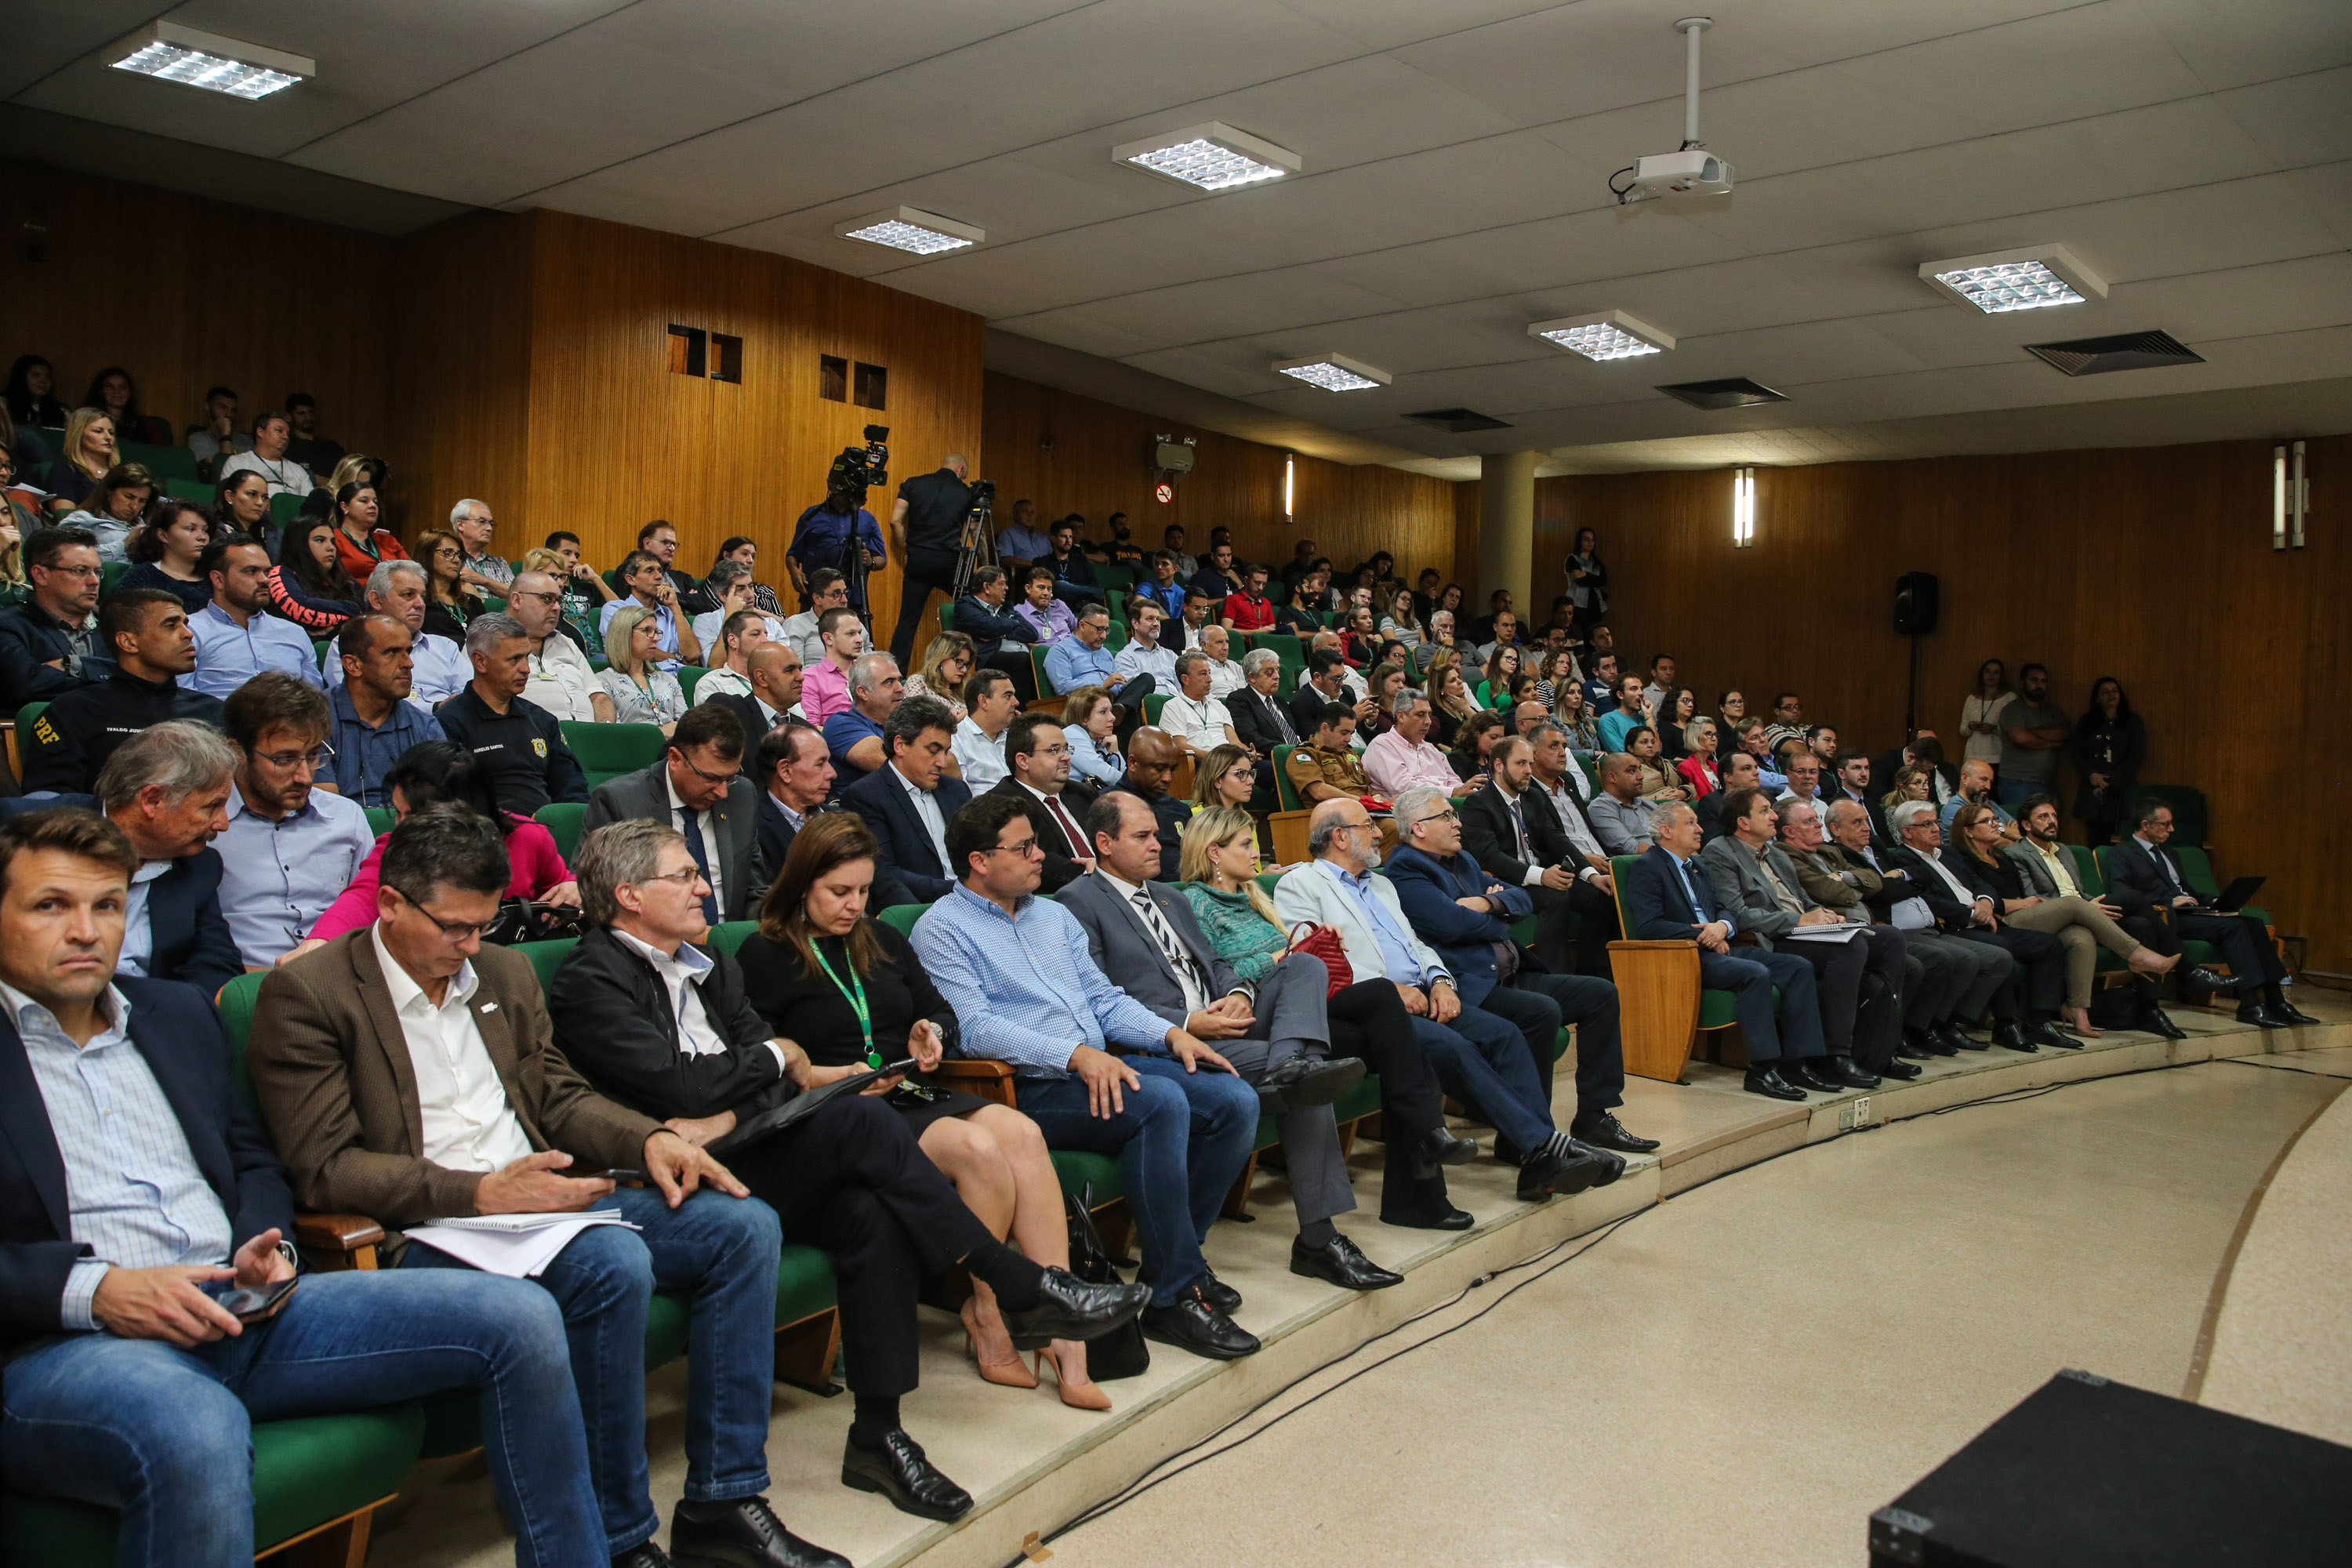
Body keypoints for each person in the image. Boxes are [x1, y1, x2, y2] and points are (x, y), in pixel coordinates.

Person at [0, 806, 622, 1568]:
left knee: (521, 1317)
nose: (87, 930)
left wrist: (272, 1245)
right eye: (49, 906)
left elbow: (252, 1158)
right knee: (192, 1426)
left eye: (106, 905)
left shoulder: (172, 1012)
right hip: (68, 1344)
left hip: (245, 1304)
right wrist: (96, 1288)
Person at [243, 809, 848, 1568]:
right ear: (390, 904)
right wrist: (480, 1192)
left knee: (742, 1225)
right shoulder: (311, 992)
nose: (471, 945)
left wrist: (648, 1137)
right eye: (454, 927)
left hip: (540, 1201)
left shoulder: (500, 970)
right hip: (430, 1226)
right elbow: (326, 1165)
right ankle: (620, 1535)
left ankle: (725, 1499)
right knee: (613, 1263)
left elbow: (558, 1098)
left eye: (484, 923)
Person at [912, 794, 1264, 1359]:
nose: (1041, 857)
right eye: (1025, 847)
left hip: (1096, 1065)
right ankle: (1175, 1299)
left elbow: (1103, 998)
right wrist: (1074, 1054)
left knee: (1234, 1101)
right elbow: (974, 1030)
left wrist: (1171, 1034)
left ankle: (1177, 1265)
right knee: (1162, 1103)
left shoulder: (1051, 913)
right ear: (979, 860)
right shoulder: (941, 929)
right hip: (1026, 1087)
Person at [1065, 791, 1400, 1290]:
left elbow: (1217, 967)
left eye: (1157, 834)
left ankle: (1292, 1065)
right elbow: (1099, 995)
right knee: (1307, 1085)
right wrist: (1185, 1023)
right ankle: (1318, 1237)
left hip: (1224, 1015)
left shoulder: (1170, 896)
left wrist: (1240, 993)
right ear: (1105, 843)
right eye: (1143, 837)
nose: (1159, 845)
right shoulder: (1078, 901)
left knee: (1304, 964)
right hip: (1170, 1038)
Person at [1274, 797, 1615, 1196]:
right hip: (1372, 1007)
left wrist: (1440, 981)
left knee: (1505, 1035)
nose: (1378, 832)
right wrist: (1390, 990)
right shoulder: (1299, 885)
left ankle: (1537, 1153)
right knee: (1455, 1048)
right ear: (1339, 837)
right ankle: (1545, 1149)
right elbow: (1315, 960)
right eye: (1368, 825)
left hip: (1425, 993)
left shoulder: (1380, 884)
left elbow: (1415, 944)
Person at [1386, 784, 1656, 1152]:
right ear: (1418, 828)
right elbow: (1452, 924)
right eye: (1446, 815)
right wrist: (1496, 911)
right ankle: (1529, 1138)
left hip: (1512, 972)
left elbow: (1522, 899)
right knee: (1541, 1012)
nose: (1457, 823)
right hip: (1472, 985)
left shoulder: (1462, 860)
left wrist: (1484, 905)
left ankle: (1594, 1116)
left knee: (1599, 994)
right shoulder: (1404, 871)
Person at [0, 720, 245, 996]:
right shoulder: (15, 829)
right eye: (211, 807)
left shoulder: (198, 866)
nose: (223, 823)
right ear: (153, 800)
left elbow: (216, 964)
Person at [1624, 802, 1835, 1100]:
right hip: (1683, 956)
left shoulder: (1697, 866)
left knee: (1798, 967)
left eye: (1698, 822)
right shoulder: (1647, 867)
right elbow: (1648, 926)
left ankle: (1797, 1063)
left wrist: (1722, 926)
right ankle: (1762, 1070)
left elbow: (1725, 908)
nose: (1700, 829)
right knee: (1755, 973)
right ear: (1666, 831)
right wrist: (1704, 935)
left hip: (1718, 947)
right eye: (1691, 823)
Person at [293, 741, 579, 958]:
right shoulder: (399, 846)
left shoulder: (528, 837)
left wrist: (575, 888)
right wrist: (319, 944)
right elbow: (361, 897)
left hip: (505, 968)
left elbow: (561, 885)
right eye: (398, 813)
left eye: (415, 816)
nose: (403, 828)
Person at [1699, 786, 1895, 1083]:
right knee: (1850, 949)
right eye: (1765, 810)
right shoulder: (1721, 851)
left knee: (1890, 939)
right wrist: (1800, 920)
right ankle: (1834, 1054)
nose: (1774, 816)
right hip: (1776, 937)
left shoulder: (1776, 853)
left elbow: (1803, 897)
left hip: (1809, 929)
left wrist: (1824, 914)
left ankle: (1881, 1048)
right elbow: (1739, 913)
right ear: (1743, 822)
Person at [1809, 796, 2016, 1058]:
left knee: (1995, 958)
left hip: (1927, 926)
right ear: (1836, 829)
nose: (1866, 827)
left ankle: (1939, 1024)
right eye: (1857, 822)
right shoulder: (1838, 854)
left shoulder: (1877, 846)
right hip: (1893, 930)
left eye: (1866, 820)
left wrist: (1897, 879)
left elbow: (1921, 875)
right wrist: (1891, 882)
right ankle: (1914, 1029)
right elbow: (1876, 893)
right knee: (1949, 960)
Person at [2102, 800, 2313, 1029]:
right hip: (2165, 917)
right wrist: (2168, 902)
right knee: (2236, 928)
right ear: (2146, 825)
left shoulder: (2169, 853)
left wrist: (2213, 901)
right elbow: (2123, 893)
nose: (2171, 830)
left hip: (2191, 911)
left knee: (2253, 923)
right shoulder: (2121, 853)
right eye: (2166, 824)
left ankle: (2277, 1001)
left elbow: (2187, 891)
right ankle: (2251, 1005)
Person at [214, 673, 378, 969]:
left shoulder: (346, 817)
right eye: (284, 759)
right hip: (248, 988)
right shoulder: (209, 828)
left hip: (342, 981)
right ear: (237, 751)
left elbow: (372, 909)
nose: (305, 776)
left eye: (313, 756)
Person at [1881, 799, 2071, 1051]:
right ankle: (2002, 1025)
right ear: (1907, 832)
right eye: (1926, 825)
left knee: (2049, 945)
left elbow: (1980, 883)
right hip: (1953, 926)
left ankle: (2039, 1021)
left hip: (1985, 919)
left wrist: (1985, 901)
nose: (1936, 829)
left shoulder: (1949, 854)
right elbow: (1928, 900)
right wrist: (1970, 915)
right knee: (2002, 951)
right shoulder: (1903, 858)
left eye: (1936, 823)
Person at [1984, 793, 2179, 1036]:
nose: (2052, 821)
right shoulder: (2018, 854)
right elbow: (2032, 897)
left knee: (2083, 937)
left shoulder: (2064, 851)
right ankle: (2137, 955)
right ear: (2026, 825)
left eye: (2054, 816)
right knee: (2114, 901)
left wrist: (2088, 904)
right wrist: (2083, 906)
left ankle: (2077, 1010)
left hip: (2075, 914)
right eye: (2043, 817)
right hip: (2038, 914)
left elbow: (2079, 891)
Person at [20, 587, 220, 794]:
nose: (188, 634)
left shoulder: (213, 711)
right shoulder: (73, 711)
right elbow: (49, 801)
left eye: (185, 624)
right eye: (171, 625)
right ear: (128, 642)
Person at [583, 702, 768, 924]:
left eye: (730, 778)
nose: (723, 792)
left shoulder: (742, 794)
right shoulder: (619, 801)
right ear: (675, 759)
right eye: (710, 778)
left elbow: (755, 889)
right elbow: (599, 898)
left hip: (730, 946)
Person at [1461, 734, 1619, 974]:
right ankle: (1551, 976)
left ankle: (1594, 973)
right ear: (1499, 765)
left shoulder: (1533, 797)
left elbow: (1556, 839)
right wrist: (1541, 876)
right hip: (1507, 881)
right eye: (1521, 764)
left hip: (1543, 875)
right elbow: (1489, 857)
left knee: (1602, 894)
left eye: (1530, 764)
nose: (1528, 770)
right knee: (1555, 897)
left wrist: (1591, 875)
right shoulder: (1478, 804)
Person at [434, 614, 591, 816]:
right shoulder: (448, 722)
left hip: (548, 834)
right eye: (514, 659)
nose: (526, 669)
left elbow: (572, 790)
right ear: (480, 662)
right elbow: (448, 801)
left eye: (527, 657)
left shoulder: (542, 720)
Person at [840, 695, 971, 906]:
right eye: (933, 750)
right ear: (900, 745)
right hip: (918, 909)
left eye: (946, 752)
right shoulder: (865, 797)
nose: (942, 762)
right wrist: (959, 891)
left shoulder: (956, 790)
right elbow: (883, 872)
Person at [323, 615, 446, 808]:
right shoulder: (315, 719)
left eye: (408, 652)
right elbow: (324, 810)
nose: (408, 663)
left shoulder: (425, 726)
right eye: (392, 652)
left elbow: (439, 808)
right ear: (353, 665)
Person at [323, 561, 472, 710]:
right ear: (376, 600)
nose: (420, 604)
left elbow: (468, 697)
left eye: (423, 597)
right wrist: (436, 708)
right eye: (408, 595)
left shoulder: (445, 647)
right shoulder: (349, 644)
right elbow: (358, 704)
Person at [183, 537, 320, 699]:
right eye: (251, 571)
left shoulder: (294, 633)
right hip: (217, 722)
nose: (265, 580)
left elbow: (313, 702)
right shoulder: (190, 631)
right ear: (218, 579)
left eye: (266, 572)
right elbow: (183, 701)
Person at [884, 454, 977, 666]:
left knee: (907, 622)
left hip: (918, 559)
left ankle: (896, 674)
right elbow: (974, 531)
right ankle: (960, 666)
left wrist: (907, 549)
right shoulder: (966, 493)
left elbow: (895, 521)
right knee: (970, 608)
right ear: (961, 470)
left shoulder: (912, 484)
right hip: (950, 562)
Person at [990, 711, 1098, 891]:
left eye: (1066, 749)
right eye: (1054, 750)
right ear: (1023, 761)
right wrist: (1094, 876)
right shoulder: (1002, 804)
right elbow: (1031, 860)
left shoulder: (1082, 793)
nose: (1066, 757)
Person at [0, 524, 106, 703]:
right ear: (41, 575)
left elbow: (150, 678)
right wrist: (111, 677)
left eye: (97, 572)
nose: (94, 581)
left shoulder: (116, 625)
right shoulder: (9, 626)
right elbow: (27, 684)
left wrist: (74, 665)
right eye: (80, 571)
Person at [506, 568, 614, 722]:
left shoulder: (566, 642)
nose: (557, 607)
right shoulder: (491, 642)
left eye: (559, 601)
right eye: (547, 599)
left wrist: (605, 729)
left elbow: (598, 697)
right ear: (517, 600)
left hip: (588, 739)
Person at [1363, 688, 1482, 800]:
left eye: (1429, 715)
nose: (1428, 722)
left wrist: (1467, 791)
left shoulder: (1431, 749)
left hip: (1444, 808)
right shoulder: (1382, 746)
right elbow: (1403, 788)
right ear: (1401, 716)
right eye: (1420, 715)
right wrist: (1452, 793)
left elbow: (1454, 782)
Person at [948, 564, 1040, 700]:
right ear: (986, 587)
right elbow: (988, 627)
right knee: (1023, 660)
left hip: (1015, 656)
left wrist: (1002, 632)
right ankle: (1020, 713)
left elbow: (1032, 633)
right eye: (1001, 584)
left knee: (1040, 659)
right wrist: (1013, 624)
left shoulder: (1006, 608)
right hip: (988, 657)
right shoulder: (966, 605)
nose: (1006, 588)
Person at [601, 548, 704, 670]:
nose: (659, 577)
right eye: (649, 571)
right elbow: (631, 651)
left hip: (678, 679)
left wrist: (675, 607)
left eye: (660, 571)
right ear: (631, 579)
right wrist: (678, 658)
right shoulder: (616, 609)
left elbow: (693, 655)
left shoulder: (670, 613)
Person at [789, 485, 887, 612]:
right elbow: (793, 554)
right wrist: (794, 572)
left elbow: (881, 560)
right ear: (833, 487)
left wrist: (870, 562)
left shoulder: (867, 519)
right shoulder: (812, 516)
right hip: (816, 596)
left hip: (853, 595)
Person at [2070, 677, 2144, 844]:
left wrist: (2110, 780)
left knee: (2118, 839)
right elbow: (2076, 753)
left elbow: (2135, 755)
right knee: (2094, 841)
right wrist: (2091, 775)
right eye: (2105, 692)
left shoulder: (2132, 722)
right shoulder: (2087, 722)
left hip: (2120, 789)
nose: (2111, 695)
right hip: (2092, 788)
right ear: (2097, 698)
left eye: (2114, 691)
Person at [1113, 727, 1192, 884]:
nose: (1168, 778)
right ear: (1133, 763)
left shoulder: (1181, 810)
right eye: (1159, 768)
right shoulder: (1109, 805)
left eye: (1173, 769)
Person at [266, 514, 365, 635]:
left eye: (332, 541)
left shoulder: (345, 580)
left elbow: (371, 615)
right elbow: (299, 607)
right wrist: (353, 609)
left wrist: (337, 628)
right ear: (299, 544)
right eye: (320, 540)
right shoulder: (281, 573)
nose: (331, 548)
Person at [598, 604, 690, 733]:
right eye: (647, 631)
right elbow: (614, 735)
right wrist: (658, 735)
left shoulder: (667, 679)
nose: (656, 638)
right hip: (638, 750)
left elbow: (686, 724)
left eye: (657, 632)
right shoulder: (604, 681)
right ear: (625, 633)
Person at [117, 495, 212, 612]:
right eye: (191, 529)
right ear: (163, 536)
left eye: (205, 530)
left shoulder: (215, 578)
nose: (202, 537)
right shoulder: (140, 578)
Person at [1996, 662, 2069, 808]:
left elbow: (2064, 733)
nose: (2039, 685)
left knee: (2046, 829)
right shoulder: (2012, 710)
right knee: (2019, 828)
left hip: (2047, 782)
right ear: (2023, 683)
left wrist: (2030, 732)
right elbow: (2022, 739)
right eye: (2034, 680)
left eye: (2043, 681)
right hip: (2016, 781)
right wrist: (2051, 744)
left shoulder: (2052, 710)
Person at [822, 651, 904, 779]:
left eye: (899, 680)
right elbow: (896, 768)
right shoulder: (841, 724)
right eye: (889, 682)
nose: (900, 688)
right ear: (863, 692)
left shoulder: (903, 723)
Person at [60, 461, 156, 564]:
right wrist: (123, 545)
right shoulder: (82, 519)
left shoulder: (147, 529)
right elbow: (66, 557)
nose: (134, 506)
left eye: (142, 501)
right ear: (109, 491)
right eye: (129, 497)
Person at [689, 561, 788, 656]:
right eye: (741, 589)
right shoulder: (705, 622)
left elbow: (786, 663)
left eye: (751, 586)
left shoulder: (771, 624)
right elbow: (714, 665)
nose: (750, 595)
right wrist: (729, 616)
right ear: (723, 595)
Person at [1158, 651, 1241, 757]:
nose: (1210, 680)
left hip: (1228, 762)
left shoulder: (1219, 705)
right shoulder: (1173, 707)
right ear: (1185, 679)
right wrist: (1215, 759)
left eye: (1209, 673)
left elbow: (1234, 742)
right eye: (1203, 674)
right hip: (1201, 764)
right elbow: (1180, 746)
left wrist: (1246, 754)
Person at [953, 667, 1020, 790]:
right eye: (1008, 696)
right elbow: (960, 795)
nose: (1016, 702)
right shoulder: (955, 740)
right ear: (984, 701)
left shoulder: (1014, 739)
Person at [633, 519, 717, 615]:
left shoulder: (682, 578)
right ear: (647, 543)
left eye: (673, 544)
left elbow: (705, 605)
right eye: (666, 542)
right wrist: (688, 605)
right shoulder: (632, 572)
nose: (672, 548)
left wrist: (673, 597)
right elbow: (643, 602)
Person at [1587, 751, 1660, 857]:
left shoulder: (1646, 804)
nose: (1641, 776)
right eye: (1632, 771)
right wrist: (1675, 852)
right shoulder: (1600, 809)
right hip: (1642, 867)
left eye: (1640, 769)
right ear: (1612, 778)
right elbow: (1630, 847)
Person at [694, 609, 770, 704]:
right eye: (755, 634)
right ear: (733, 641)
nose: (765, 640)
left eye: (766, 634)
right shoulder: (711, 684)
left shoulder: (773, 679)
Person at [1061, 684, 1125, 789]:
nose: (1113, 717)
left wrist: (1115, 752)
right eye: (1103, 712)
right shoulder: (1071, 734)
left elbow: (1120, 776)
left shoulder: (1099, 739)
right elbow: (1108, 777)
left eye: (1111, 711)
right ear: (1084, 718)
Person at [785, 568, 851, 666]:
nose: (844, 600)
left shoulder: (855, 624)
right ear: (817, 598)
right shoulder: (796, 625)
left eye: (845, 593)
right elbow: (794, 672)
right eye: (836, 595)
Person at [1113, 597, 1178, 693]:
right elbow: (1136, 694)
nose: (1156, 624)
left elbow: (1184, 689)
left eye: (1158, 619)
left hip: (1176, 704)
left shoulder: (1171, 656)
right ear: (1135, 623)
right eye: (1150, 619)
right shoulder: (1125, 657)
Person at [1961, 658, 2013, 773]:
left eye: (1996, 672)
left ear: (2001, 676)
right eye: (1988, 671)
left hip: (1997, 757)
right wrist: (1971, 726)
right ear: (1982, 674)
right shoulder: (1971, 699)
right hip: (1973, 756)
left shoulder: (2009, 698)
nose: (1991, 675)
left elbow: (2013, 730)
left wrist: (1994, 729)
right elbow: (1962, 730)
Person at [280, 392, 345, 477]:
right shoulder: (285, 446)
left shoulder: (331, 447)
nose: (308, 418)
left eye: (311, 413)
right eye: (301, 413)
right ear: (288, 416)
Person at [993, 499, 1051, 568]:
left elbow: (1054, 558)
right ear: (1015, 514)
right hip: (1025, 573)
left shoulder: (1042, 537)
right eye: (1025, 512)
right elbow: (1006, 560)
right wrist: (1035, 564)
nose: (1029, 515)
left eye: (1032, 512)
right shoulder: (1008, 534)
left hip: (1048, 573)